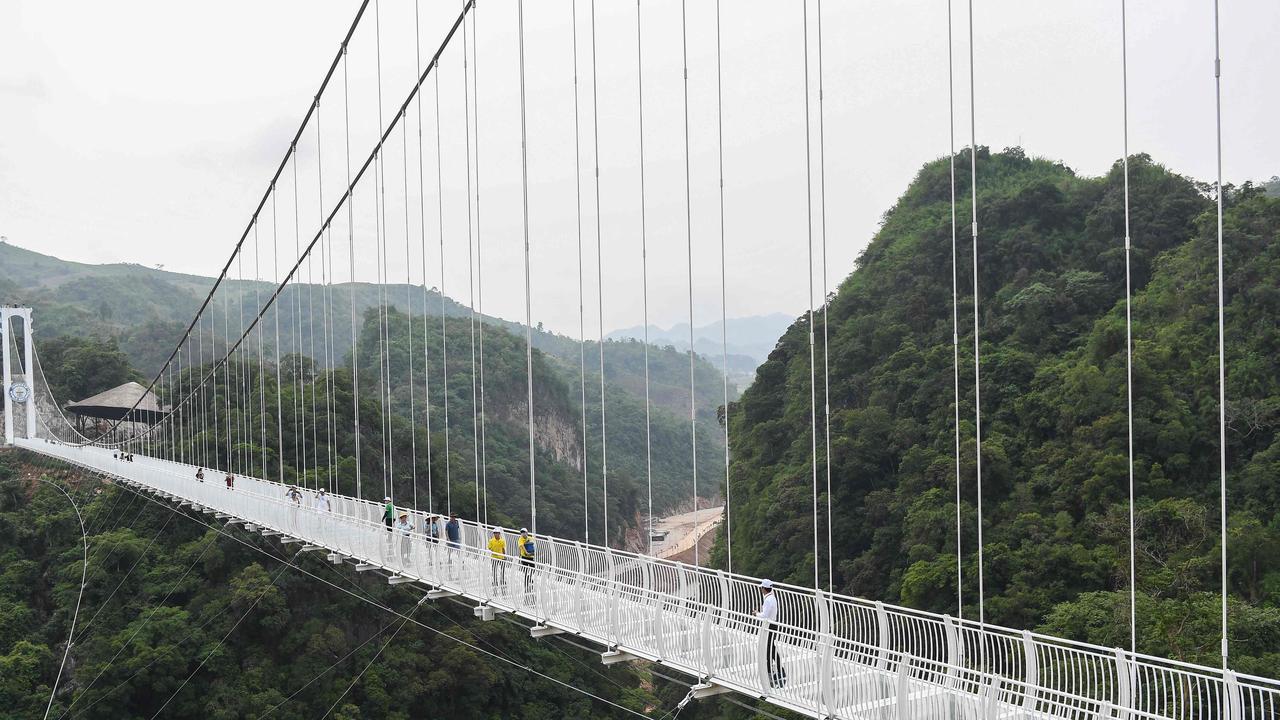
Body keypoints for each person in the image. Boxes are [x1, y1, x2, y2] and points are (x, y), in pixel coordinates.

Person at [758, 579, 785, 688]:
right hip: (773, 624)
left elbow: (764, 615)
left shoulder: (768, 600)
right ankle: (776, 669)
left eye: (761, 588)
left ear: (764, 589)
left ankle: (774, 670)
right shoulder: (772, 598)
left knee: (769, 648)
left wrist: (756, 614)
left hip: (769, 626)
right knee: (770, 647)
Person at [517, 528, 536, 596]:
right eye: (522, 532)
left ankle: (529, 578)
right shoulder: (520, 539)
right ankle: (526, 580)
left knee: (533, 568)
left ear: (527, 532)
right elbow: (521, 546)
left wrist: (533, 552)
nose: (523, 533)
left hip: (530, 557)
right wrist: (526, 553)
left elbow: (533, 545)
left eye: (524, 532)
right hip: (524, 557)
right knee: (525, 569)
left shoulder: (530, 538)